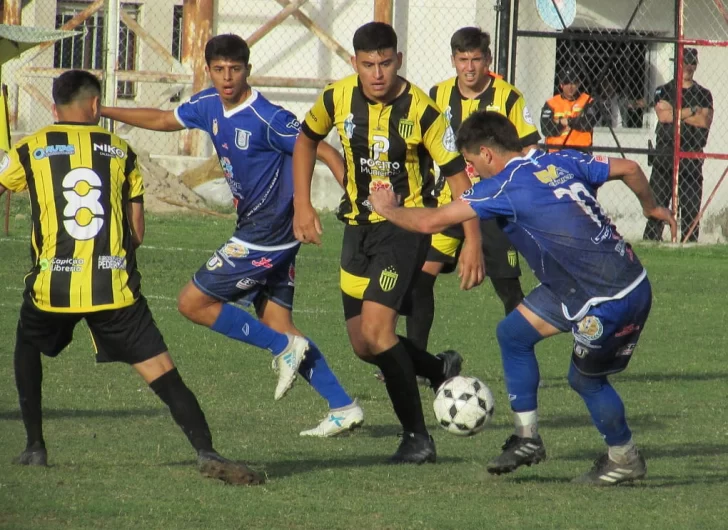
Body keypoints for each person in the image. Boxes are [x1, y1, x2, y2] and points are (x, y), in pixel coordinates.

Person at [369, 111, 677, 485]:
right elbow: (629, 167)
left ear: (486, 154)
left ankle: (624, 457)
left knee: (586, 382)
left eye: (470, 163)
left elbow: (431, 222)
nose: (470, 171)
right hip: (590, 284)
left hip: (608, 299)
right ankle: (527, 439)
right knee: (513, 333)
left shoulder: (501, 187)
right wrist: (650, 207)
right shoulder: (559, 158)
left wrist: (388, 209)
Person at [0, 69, 263, 485]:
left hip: (53, 288)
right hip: (115, 290)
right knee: (162, 371)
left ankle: (34, 446)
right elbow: (137, 233)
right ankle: (205, 449)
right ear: (94, 106)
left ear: (54, 109)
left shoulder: (31, 148)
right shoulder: (121, 151)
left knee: (26, 347)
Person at [101, 34, 364, 437]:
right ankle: (343, 406)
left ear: (248, 70)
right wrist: (102, 109)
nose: (227, 78)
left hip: (267, 234)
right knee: (278, 322)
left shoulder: (268, 117)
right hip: (258, 230)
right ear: (208, 70)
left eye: (235, 69)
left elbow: (320, 150)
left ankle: (283, 351)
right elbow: (162, 119)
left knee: (192, 302)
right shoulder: (207, 105)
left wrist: (325, 202)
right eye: (219, 70)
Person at [292, 22, 484, 464]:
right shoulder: (337, 97)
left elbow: (460, 181)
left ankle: (417, 439)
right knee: (363, 345)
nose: (377, 73)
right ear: (354, 63)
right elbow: (306, 141)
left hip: (405, 229)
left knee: (380, 333)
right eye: (367, 64)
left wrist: (471, 239)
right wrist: (302, 203)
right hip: (357, 230)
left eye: (385, 63)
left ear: (398, 59)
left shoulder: (423, 111)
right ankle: (438, 369)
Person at [407, 26, 539, 352]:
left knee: (509, 290)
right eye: (462, 59)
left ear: (488, 60)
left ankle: (521, 356)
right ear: (453, 60)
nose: (469, 67)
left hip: (495, 206)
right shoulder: (437, 95)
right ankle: (414, 360)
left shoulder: (507, 97)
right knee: (420, 280)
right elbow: (421, 147)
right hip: (451, 202)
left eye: (476, 59)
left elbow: (529, 150)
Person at [643, 47, 713, 243]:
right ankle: (651, 241)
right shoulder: (664, 90)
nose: (688, 67)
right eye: (685, 62)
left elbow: (703, 121)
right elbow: (663, 116)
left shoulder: (703, 94)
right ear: (678, 63)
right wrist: (692, 111)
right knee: (657, 202)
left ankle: (689, 242)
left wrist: (676, 113)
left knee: (690, 207)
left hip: (691, 152)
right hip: (666, 152)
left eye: (692, 63)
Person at [541, 69, 600, 150]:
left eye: (573, 83)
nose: (570, 86)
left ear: (578, 83)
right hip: (555, 152)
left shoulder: (588, 100)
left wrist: (564, 121)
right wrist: (575, 121)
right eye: (567, 83)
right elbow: (546, 129)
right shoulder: (551, 103)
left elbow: (587, 124)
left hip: (580, 152)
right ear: (561, 85)